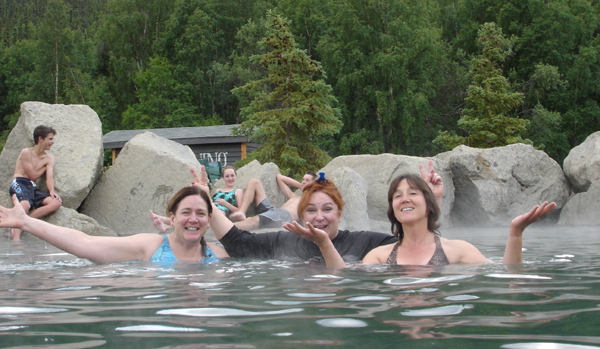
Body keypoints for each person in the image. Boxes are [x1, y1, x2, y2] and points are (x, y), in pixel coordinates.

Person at [284, 173, 557, 268]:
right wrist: (324, 244)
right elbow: (342, 280)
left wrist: (515, 233)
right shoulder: (379, 256)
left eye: (413, 193)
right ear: (392, 209)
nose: (405, 199)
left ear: (428, 205)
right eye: (398, 195)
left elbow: (506, 275)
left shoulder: (457, 250)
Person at [207, 164, 444, 262]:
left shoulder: (364, 242)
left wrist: (433, 201)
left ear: (340, 214)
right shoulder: (284, 240)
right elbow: (238, 243)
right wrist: (205, 203)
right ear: (301, 216)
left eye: (327, 209)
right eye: (311, 210)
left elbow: (414, 244)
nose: (319, 216)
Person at [0, 185, 228, 263]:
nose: (193, 219)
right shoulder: (149, 246)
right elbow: (86, 244)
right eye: (186, 212)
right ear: (173, 217)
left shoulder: (220, 255)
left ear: (209, 220)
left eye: (200, 213)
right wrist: (25, 222)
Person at [151, 169, 318, 232]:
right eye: (302, 179)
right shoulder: (295, 196)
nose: (303, 182)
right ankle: (241, 212)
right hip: (272, 210)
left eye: (306, 180)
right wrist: (302, 185)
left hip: (282, 217)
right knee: (254, 182)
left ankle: (170, 223)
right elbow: (279, 178)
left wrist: (310, 187)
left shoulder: (310, 199)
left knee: (252, 223)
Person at [9, 125, 62, 241]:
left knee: (55, 203)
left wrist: (52, 191)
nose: (52, 142)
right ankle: (16, 239)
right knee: (25, 204)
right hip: (20, 183)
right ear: (40, 139)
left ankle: (23, 222)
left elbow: (49, 178)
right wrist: (43, 168)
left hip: (32, 187)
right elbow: (32, 175)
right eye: (50, 139)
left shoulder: (49, 158)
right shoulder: (26, 152)